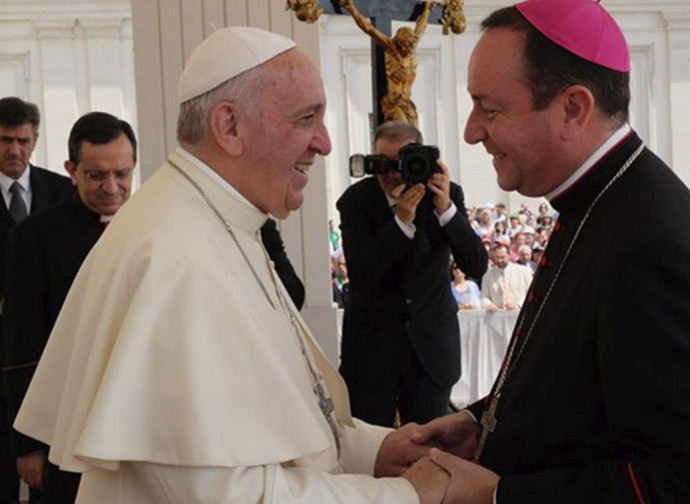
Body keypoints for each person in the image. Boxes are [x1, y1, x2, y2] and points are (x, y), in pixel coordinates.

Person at [13, 27, 451, 503]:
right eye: (307, 118)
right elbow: (224, 491)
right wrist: (410, 496)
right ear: (230, 127)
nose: (324, 143)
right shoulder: (177, 257)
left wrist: (377, 448)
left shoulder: (224, 223)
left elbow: (271, 425)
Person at [411, 0, 690, 502]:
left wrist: (497, 496)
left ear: (573, 109)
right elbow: (576, 386)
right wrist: (482, 421)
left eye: (490, 109)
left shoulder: (650, 242)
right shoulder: (595, 202)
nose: (472, 132)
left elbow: (671, 481)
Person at [2, 111, 136, 504]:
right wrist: (27, 444)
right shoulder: (34, 236)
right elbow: (21, 340)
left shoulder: (151, 226)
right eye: (96, 175)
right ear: (72, 170)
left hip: (134, 417)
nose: (111, 187)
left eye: (122, 174)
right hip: (64, 421)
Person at [337, 120, 487, 428]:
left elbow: (476, 264)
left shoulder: (444, 195)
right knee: (371, 449)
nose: (393, 174)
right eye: (383, 164)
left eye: (403, 163)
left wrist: (446, 210)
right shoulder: (356, 201)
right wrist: (400, 223)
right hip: (372, 353)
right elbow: (363, 276)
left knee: (429, 448)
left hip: (430, 352)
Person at [0, 96, 73, 503]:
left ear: (36, 140)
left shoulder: (62, 191)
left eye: (23, 141)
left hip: (49, 349)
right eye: (6, 140)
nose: (15, 150)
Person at [339, 0, 433, 124]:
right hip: (394, 102)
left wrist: (427, 9)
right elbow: (368, 28)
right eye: (404, 46)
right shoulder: (392, 49)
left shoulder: (412, 47)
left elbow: (421, 26)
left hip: (406, 102)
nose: (407, 49)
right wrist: (351, 8)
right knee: (403, 135)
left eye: (409, 46)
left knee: (415, 136)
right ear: (398, 43)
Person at [480, 245, 532, 313]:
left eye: (502, 257)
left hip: (519, 312)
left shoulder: (523, 271)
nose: (500, 260)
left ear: (509, 255)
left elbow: (531, 292)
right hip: (497, 315)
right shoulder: (487, 275)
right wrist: (489, 305)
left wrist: (519, 304)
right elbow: (484, 297)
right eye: (497, 257)